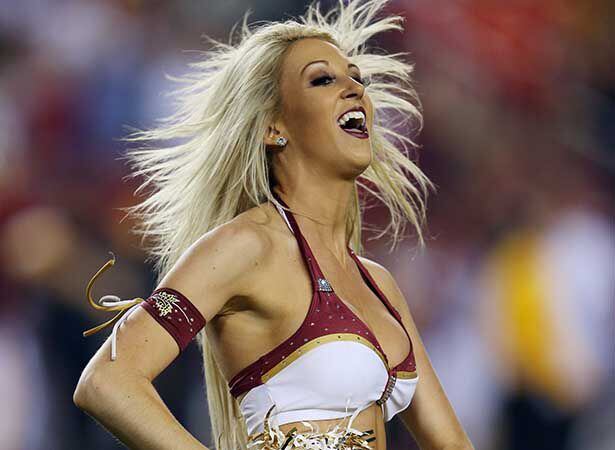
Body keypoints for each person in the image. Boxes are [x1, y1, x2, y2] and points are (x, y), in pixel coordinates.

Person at [73, 1, 473, 449]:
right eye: (323, 79)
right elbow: (108, 381)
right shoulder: (247, 245)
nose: (354, 89)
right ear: (273, 127)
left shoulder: (379, 283)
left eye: (357, 78)